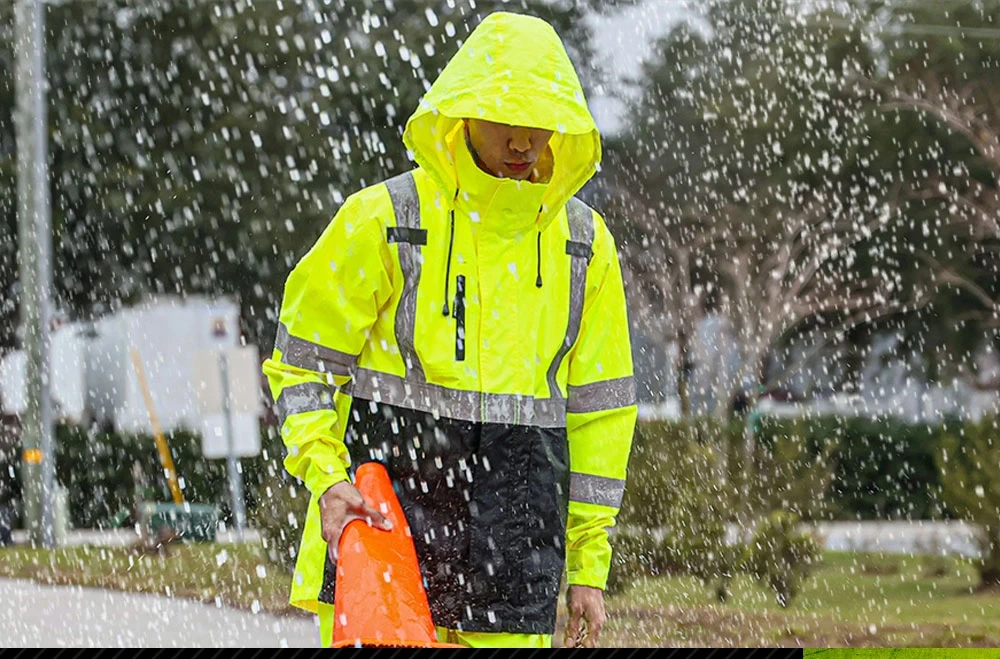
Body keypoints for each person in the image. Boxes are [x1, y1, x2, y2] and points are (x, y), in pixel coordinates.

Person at [263, 11, 636, 649]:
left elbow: (601, 413)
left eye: (540, 123)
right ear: (463, 114)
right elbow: (302, 366)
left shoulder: (584, 244)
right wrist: (327, 480)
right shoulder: (384, 220)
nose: (524, 143)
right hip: (388, 530)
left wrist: (588, 566)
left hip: (515, 542)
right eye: (506, 121)